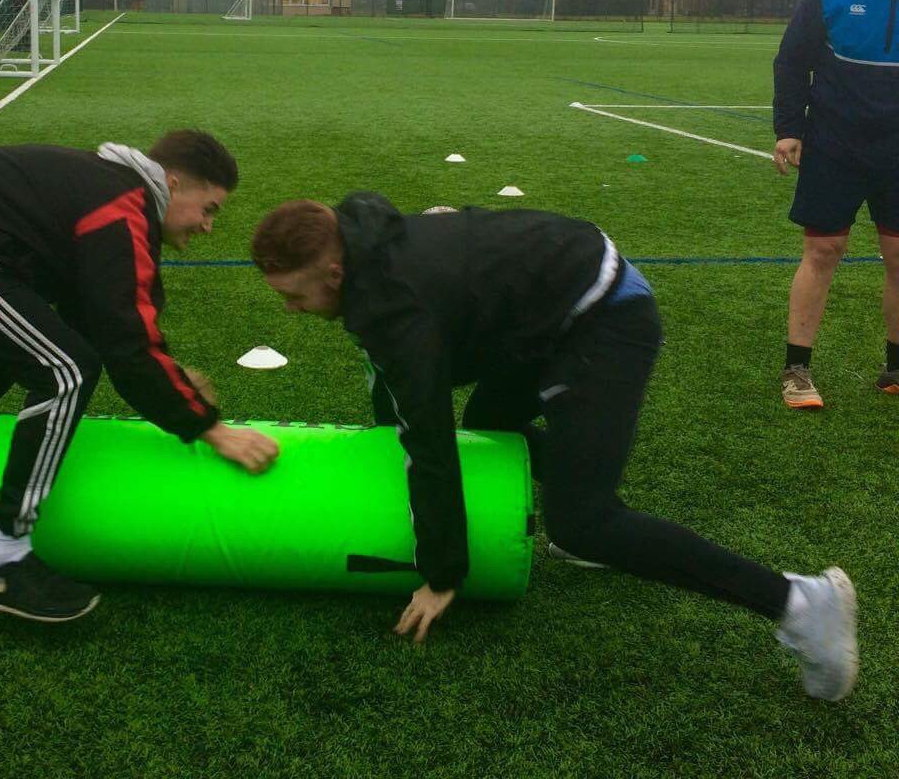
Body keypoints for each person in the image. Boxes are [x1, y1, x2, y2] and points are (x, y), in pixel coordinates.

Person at [252, 195, 857, 700]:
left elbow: (428, 443)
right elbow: (396, 384)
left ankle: (802, 603)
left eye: (296, 296)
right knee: (490, 424)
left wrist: (442, 574)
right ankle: (582, 484)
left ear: (334, 272)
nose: (291, 309)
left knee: (582, 523)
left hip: (604, 315)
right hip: (539, 310)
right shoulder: (365, 243)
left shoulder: (393, 307)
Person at [0, 131, 279, 622]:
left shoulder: (109, 190)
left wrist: (172, 384)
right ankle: (1, 561)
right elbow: (124, 339)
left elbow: (96, 315)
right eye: (208, 208)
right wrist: (207, 426)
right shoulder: (122, 205)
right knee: (66, 371)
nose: (207, 226)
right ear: (174, 182)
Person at [774, 0, 899, 409]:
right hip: (835, 143)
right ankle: (797, 370)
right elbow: (790, 61)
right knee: (823, 249)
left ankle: (895, 369)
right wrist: (789, 128)